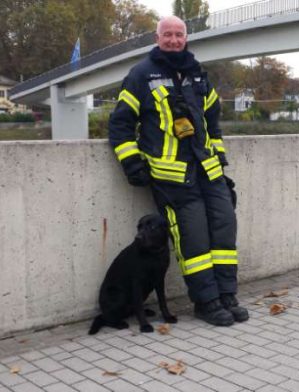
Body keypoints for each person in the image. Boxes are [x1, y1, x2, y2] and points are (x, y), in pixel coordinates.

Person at [108, 16, 247, 326]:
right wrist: (132, 163)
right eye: (167, 34)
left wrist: (219, 162)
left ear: (186, 38)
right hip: (172, 179)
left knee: (225, 228)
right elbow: (119, 125)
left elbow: (213, 124)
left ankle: (227, 294)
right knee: (193, 238)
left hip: (208, 173)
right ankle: (206, 301)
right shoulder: (141, 75)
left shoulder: (198, 75)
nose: (173, 39)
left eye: (178, 34)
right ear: (158, 38)